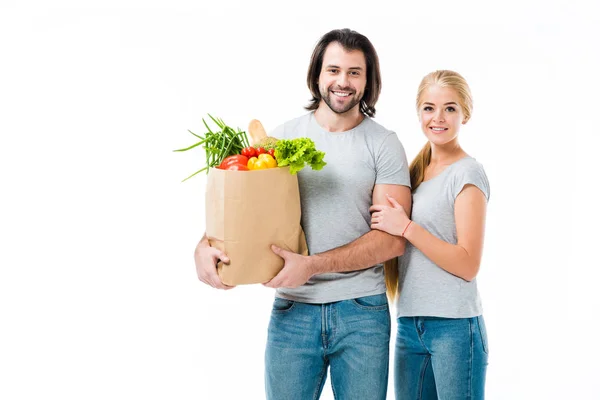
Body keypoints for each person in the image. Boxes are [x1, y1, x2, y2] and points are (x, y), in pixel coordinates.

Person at [194, 28, 411, 399]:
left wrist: (312, 265)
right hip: (293, 309)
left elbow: (392, 241)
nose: (343, 82)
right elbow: (243, 213)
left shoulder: (384, 145)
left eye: (354, 72)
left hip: (362, 313)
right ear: (317, 75)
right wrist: (204, 247)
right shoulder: (280, 141)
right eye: (334, 70)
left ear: (368, 81)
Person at [370, 70, 490, 399]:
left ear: (465, 113)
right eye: (429, 108)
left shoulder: (467, 173)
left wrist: (407, 228)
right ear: (418, 112)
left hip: (454, 327)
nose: (438, 118)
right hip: (410, 324)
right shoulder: (414, 173)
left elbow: (468, 264)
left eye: (449, 108)